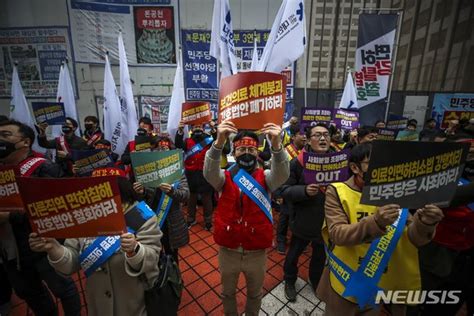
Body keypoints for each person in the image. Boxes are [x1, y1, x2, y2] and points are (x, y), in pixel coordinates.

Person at [317, 143, 444, 315]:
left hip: (379, 281)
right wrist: (375, 222)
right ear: (354, 167)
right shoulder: (338, 191)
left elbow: (414, 240)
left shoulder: (398, 192)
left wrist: (425, 223)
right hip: (345, 278)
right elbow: (337, 234)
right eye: (374, 162)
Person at [29, 177, 162, 316]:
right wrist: (53, 248)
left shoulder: (141, 215)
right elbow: (71, 264)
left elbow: (152, 261)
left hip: (136, 305)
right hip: (98, 306)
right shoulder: (83, 218)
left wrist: (135, 250)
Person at [203, 121, 289, 316]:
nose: (246, 153)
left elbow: (282, 174)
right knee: (227, 293)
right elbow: (209, 173)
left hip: (256, 251)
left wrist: (276, 146)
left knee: (255, 294)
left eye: (251, 148)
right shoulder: (224, 178)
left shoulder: (266, 177)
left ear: (258, 152)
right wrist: (218, 143)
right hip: (228, 250)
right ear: (234, 152)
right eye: (241, 149)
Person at [0, 119, 81, 316]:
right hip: (12, 250)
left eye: (5, 135)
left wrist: (11, 215)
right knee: (27, 291)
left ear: (25, 142)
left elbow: (61, 206)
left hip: (44, 245)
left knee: (63, 289)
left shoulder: (44, 168)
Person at [277, 123, 331, 302]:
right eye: (317, 135)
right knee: (294, 254)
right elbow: (283, 190)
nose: (323, 139)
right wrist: (305, 191)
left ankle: (315, 282)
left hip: (327, 223)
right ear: (308, 140)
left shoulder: (339, 163)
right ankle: (290, 281)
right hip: (302, 220)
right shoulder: (298, 162)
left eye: (326, 135)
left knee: (319, 256)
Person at [133, 137, 190, 263]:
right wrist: (141, 192)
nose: (162, 152)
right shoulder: (148, 170)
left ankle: (174, 280)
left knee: (172, 255)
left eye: (165, 149)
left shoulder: (178, 172)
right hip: (152, 219)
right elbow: (143, 200)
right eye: (158, 149)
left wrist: (171, 191)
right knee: (154, 254)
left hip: (172, 220)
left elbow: (185, 195)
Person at [175, 120, 215, 230]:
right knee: (191, 199)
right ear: (192, 129)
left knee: (207, 199)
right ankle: (191, 219)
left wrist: (213, 128)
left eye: (200, 126)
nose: (198, 128)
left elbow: (219, 144)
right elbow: (177, 145)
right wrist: (180, 130)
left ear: (203, 128)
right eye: (195, 127)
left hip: (206, 173)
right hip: (191, 174)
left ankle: (208, 221)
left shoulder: (209, 140)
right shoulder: (187, 141)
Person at [275, 124, 306, 254]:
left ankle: (298, 240)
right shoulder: (284, 152)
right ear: (293, 137)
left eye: (306, 134)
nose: (304, 137)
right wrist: (278, 194)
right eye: (301, 134)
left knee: (299, 216)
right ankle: (281, 240)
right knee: (285, 216)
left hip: (301, 190)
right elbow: (277, 173)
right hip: (286, 189)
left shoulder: (307, 152)